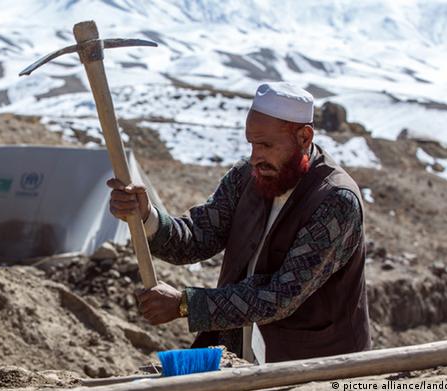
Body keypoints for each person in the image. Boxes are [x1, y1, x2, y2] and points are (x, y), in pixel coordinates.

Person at [106, 82, 371, 363]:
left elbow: (279, 297)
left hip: (319, 369)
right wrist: (146, 216)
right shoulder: (248, 176)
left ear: (304, 137)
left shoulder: (335, 200)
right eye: (252, 144)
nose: (256, 156)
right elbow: (196, 238)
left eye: (267, 145)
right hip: (246, 359)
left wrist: (185, 304)